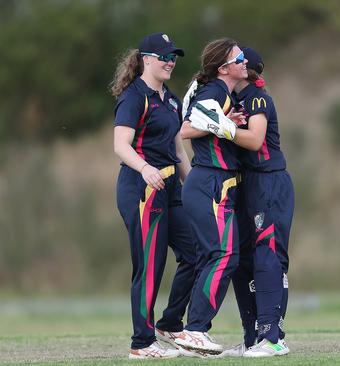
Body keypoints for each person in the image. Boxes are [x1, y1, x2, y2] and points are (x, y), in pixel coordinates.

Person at [111, 32, 197, 359]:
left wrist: (193, 188)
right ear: (146, 59)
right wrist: (145, 168)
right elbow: (121, 144)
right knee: (150, 265)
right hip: (141, 188)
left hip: (171, 188)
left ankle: (171, 322)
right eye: (164, 57)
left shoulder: (171, 99)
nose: (170, 61)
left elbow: (178, 150)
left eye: (173, 56)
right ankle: (142, 343)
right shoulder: (135, 96)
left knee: (198, 249)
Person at [170, 38, 248, 355]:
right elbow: (186, 128)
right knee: (223, 255)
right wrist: (227, 125)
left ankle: (191, 330)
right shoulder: (215, 89)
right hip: (209, 182)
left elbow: (198, 123)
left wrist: (226, 122)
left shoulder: (223, 93)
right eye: (239, 57)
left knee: (217, 255)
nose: (245, 61)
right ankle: (195, 329)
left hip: (216, 183)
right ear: (224, 68)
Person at [219, 46, 293, 358]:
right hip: (246, 185)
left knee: (267, 256)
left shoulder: (257, 97)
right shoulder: (230, 100)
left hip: (269, 183)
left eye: (237, 60)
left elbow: (255, 139)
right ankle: (253, 338)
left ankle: (273, 337)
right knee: (240, 260)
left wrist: (221, 126)